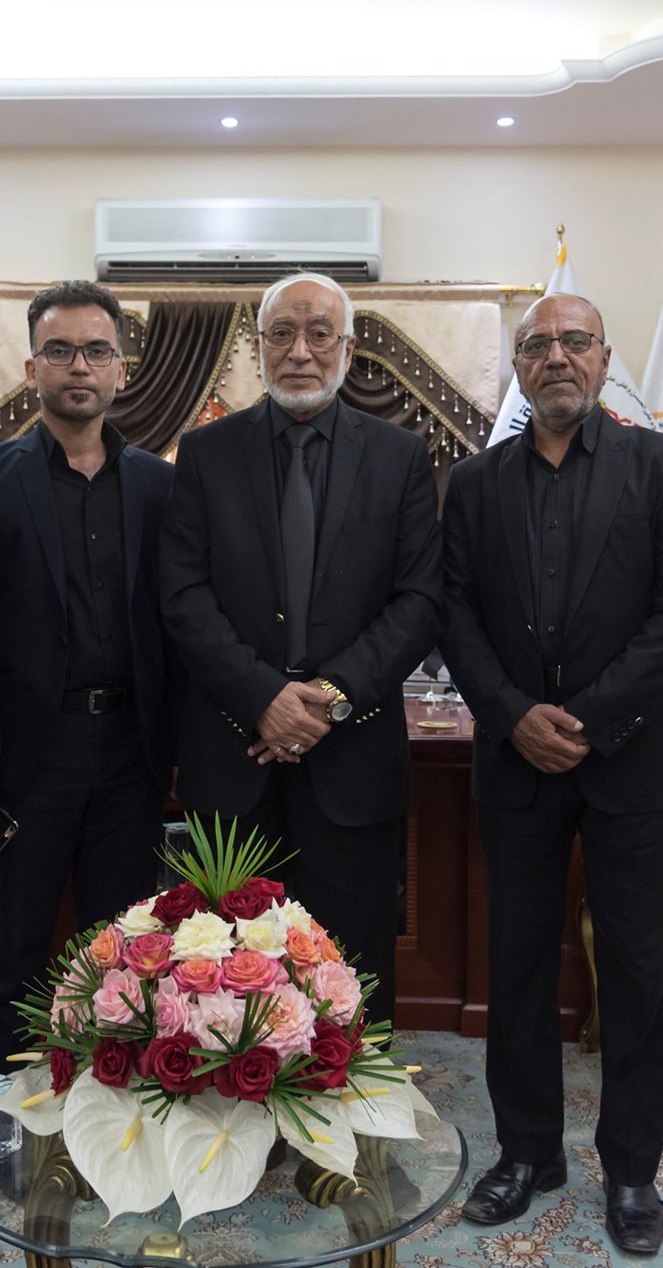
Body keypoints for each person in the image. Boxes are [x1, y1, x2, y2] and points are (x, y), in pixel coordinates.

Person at [439, 292, 663, 1254]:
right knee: (516, 968)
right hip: (517, 760)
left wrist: (587, 723)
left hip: (635, 761)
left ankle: (632, 1171)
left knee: (635, 975)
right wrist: (515, 716)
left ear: (604, 356)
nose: (555, 357)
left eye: (574, 341)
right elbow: (455, 613)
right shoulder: (474, 483)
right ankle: (527, 1153)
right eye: (536, 344)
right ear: (518, 366)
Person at [158, 270, 442, 1024]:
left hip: (352, 760)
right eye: (281, 333)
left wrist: (329, 698)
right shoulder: (206, 452)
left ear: (348, 348)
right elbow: (183, 596)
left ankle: (348, 1108)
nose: (300, 351)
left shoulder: (400, 456)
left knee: (351, 972)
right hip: (232, 760)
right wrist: (264, 698)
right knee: (223, 982)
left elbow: (420, 600)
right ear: (259, 346)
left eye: (320, 333)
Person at [0, 279, 175, 1074]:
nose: (78, 366)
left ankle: (116, 1113)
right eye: (59, 350)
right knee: (14, 951)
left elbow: (179, 622)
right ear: (32, 368)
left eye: (96, 350)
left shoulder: (160, 485)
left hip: (131, 749)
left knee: (124, 953)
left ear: (121, 369)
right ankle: (9, 1119)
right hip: (30, 753)